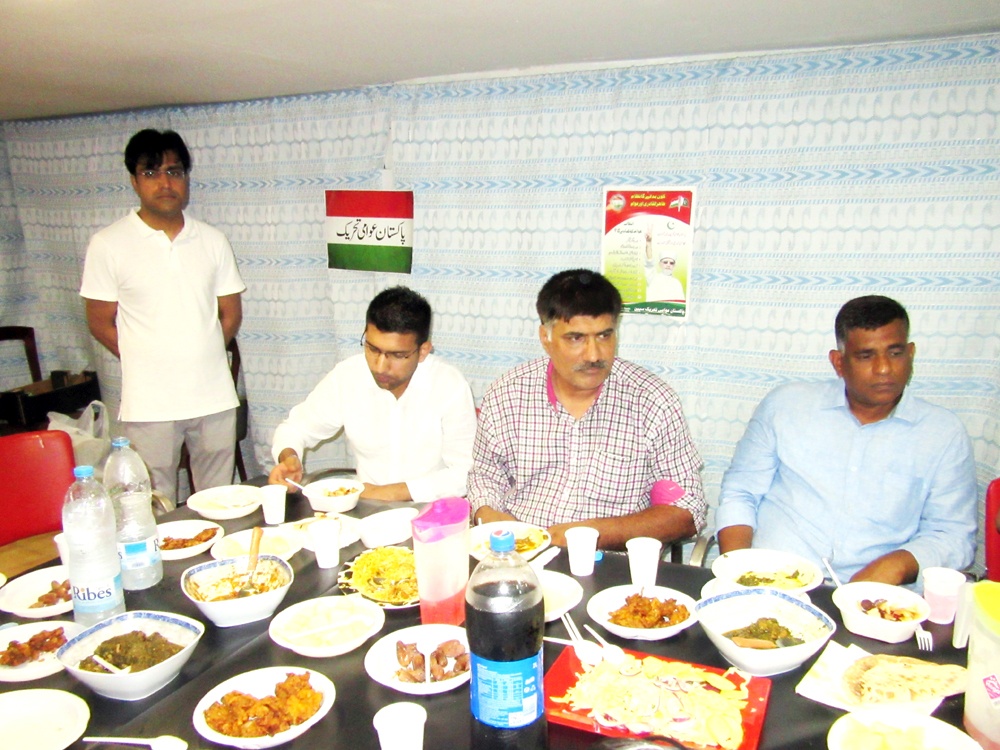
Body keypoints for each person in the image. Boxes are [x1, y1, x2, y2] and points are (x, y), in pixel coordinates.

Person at [715, 295, 976, 586]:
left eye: (895, 353)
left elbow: (953, 535)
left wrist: (896, 566)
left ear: (911, 353)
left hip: (878, 597)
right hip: (773, 581)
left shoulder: (943, 434)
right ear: (838, 363)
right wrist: (738, 573)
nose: (884, 368)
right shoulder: (786, 406)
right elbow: (741, 492)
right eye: (866, 356)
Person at [468, 269, 706, 548]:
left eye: (604, 336)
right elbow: (485, 475)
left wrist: (587, 534)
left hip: (610, 557)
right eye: (576, 338)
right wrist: (490, 516)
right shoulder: (508, 392)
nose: (594, 355)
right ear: (545, 337)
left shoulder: (652, 401)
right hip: (519, 548)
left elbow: (686, 510)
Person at [80, 129, 245, 502]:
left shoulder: (212, 240)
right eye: (151, 172)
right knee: (155, 501)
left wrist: (199, 352)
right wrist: (148, 357)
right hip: (149, 402)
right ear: (134, 180)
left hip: (214, 396)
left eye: (174, 171)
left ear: (186, 178)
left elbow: (230, 315)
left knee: (220, 498)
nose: (165, 183)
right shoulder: (108, 244)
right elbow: (99, 322)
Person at [269, 286, 476, 501]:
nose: (380, 366)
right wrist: (289, 458)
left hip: (433, 510)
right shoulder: (348, 376)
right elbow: (295, 429)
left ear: (423, 351)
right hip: (367, 509)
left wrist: (388, 492)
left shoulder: (449, 386)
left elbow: (466, 473)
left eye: (397, 355)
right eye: (372, 349)